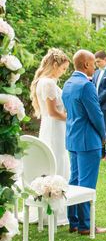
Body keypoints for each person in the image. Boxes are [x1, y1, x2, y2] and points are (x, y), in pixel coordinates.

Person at [61, 50, 106, 235]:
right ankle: (86, 225)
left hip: (73, 137)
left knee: (74, 180)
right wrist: (103, 134)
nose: (95, 67)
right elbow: (96, 114)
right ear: (86, 65)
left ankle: (73, 221)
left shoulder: (68, 83)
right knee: (86, 184)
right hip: (88, 140)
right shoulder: (86, 85)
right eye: (93, 64)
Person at [30, 49, 71, 225]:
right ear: (55, 65)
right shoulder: (48, 83)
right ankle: (55, 211)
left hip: (49, 126)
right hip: (55, 127)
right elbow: (54, 112)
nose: (63, 72)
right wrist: (71, 119)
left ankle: (52, 207)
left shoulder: (42, 81)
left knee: (54, 160)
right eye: (63, 68)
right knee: (57, 161)